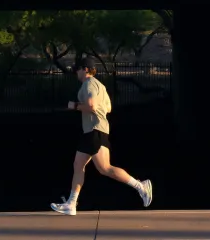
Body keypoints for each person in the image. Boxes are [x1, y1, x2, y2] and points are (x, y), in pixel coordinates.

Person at [51, 57, 153, 215]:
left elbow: (91, 105)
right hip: (93, 131)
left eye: (77, 69)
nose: (76, 73)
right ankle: (71, 204)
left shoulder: (89, 83)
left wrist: (74, 105)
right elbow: (109, 108)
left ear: (85, 69)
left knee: (105, 168)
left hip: (95, 131)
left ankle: (141, 186)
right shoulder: (101, 86)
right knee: (78, 165)